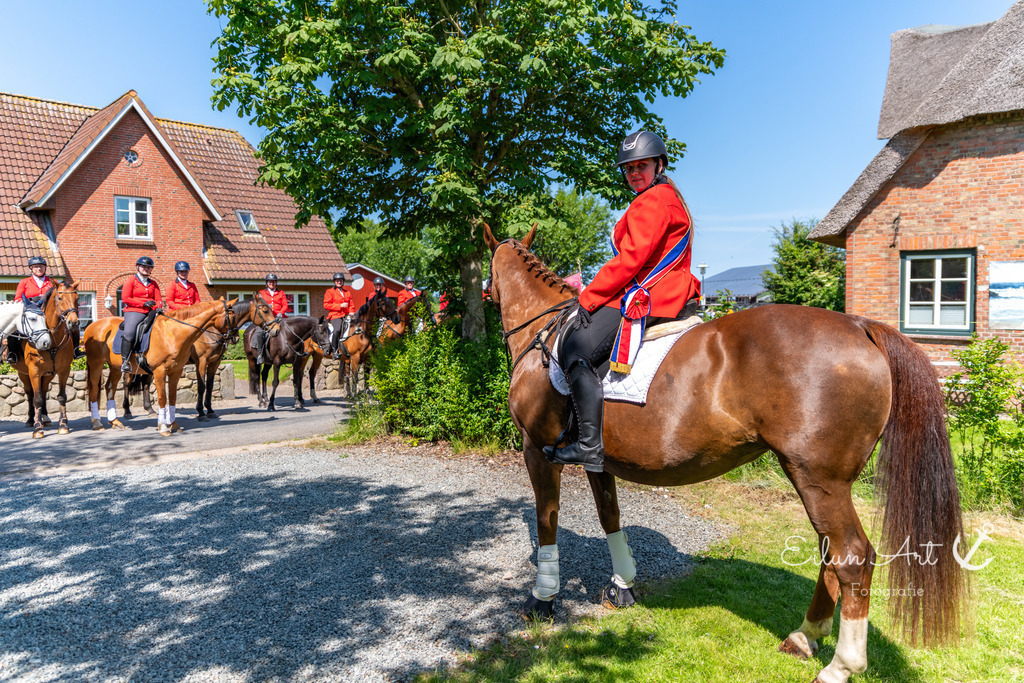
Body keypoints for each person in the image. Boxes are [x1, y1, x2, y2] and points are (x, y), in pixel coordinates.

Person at [542, 131, 700, 473]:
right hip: (667, 291)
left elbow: (629, 260)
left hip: (653, 297)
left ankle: (588, 446)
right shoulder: (667, 197)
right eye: (628, 169)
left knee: (575, 348)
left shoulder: (653, 200)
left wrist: (589, 297)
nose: (634, 174)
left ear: (659, 164)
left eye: (641, 166)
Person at [7, 256, 57, 364]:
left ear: (45, 268)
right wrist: (31, 303)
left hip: (48, 311)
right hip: (31, 310)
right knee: (14, 326)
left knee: (69, 323)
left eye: (41, 266)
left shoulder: (52, 282)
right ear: (31, 269)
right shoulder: (24, 282)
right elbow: (18, 299)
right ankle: (12, 353)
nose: (39, 269)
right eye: (36, 267)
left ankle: (76, 349)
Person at [120, 256, 162, 373]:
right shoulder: (131, 281)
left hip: (151, 311)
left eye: (149, 267)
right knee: (130, 332)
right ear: (138, 267)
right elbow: (125, 298)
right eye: (144, 266)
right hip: (134, 311)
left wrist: (157, 307)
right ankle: (125, 362)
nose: (146, 269)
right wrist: (143, 303)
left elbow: (158, 299)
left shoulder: (153, 283)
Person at [253, 273, 289, 364]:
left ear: (276, 283)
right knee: (259, 332)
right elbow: (257, 305)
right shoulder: (261, 293)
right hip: (267, 319)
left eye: (273, 282)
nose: (271, 283)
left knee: (291, 330)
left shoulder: (281, 293)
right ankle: (260, 355)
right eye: (269, 281)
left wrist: (281, 313)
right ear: (267, 283)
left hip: (279, 317)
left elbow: (285, 305)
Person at [323, 273, 352, 358]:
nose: (339, 282)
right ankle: (334, 351)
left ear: (343, 282)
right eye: (337, 281)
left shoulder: (347, 292)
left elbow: (351, 305)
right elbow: (326, 305)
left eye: (341, 281)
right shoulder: (329, 292)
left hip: (347, 315)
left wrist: (352, 312)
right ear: (335, 282)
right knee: (337, 330)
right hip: (335, 315)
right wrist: (339, 306)